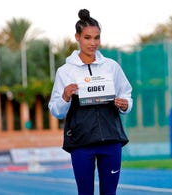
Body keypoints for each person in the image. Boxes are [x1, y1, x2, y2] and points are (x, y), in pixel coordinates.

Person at [48, 9, 133, 195]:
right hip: (81, 142)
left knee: (109, 192)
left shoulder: (111, 66)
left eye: (97, 38)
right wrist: (65, 96)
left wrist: (126, 104)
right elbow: (56, 110)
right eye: (87, 37)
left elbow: (126, 94)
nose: (93, 43)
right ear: (77, 37)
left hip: (111, 140)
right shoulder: (65, 71)